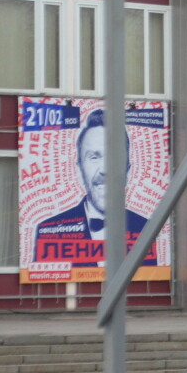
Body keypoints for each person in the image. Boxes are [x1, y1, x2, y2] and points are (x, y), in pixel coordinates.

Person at [31, 109, 151, 267]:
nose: (105, 169)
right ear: (79, 167)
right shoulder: (49, 232)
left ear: (128, 167)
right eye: (94, 157)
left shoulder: (148, 229)